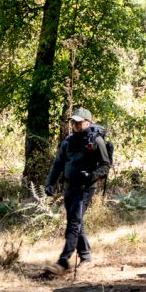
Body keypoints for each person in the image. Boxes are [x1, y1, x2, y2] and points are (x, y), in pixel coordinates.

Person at [42, 107, 111, 276]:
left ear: (87, 122)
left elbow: (105, 165)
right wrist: (50, 183)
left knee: (73, 224)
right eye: (74, 121)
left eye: (79, 122)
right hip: (69, 188)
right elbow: (58, 164)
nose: (75, 124)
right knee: (76, 222)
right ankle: (86, 258)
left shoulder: (96, 140)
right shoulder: (68, 141)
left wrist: (91, 176)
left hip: (85, 189)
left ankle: (63, 262)